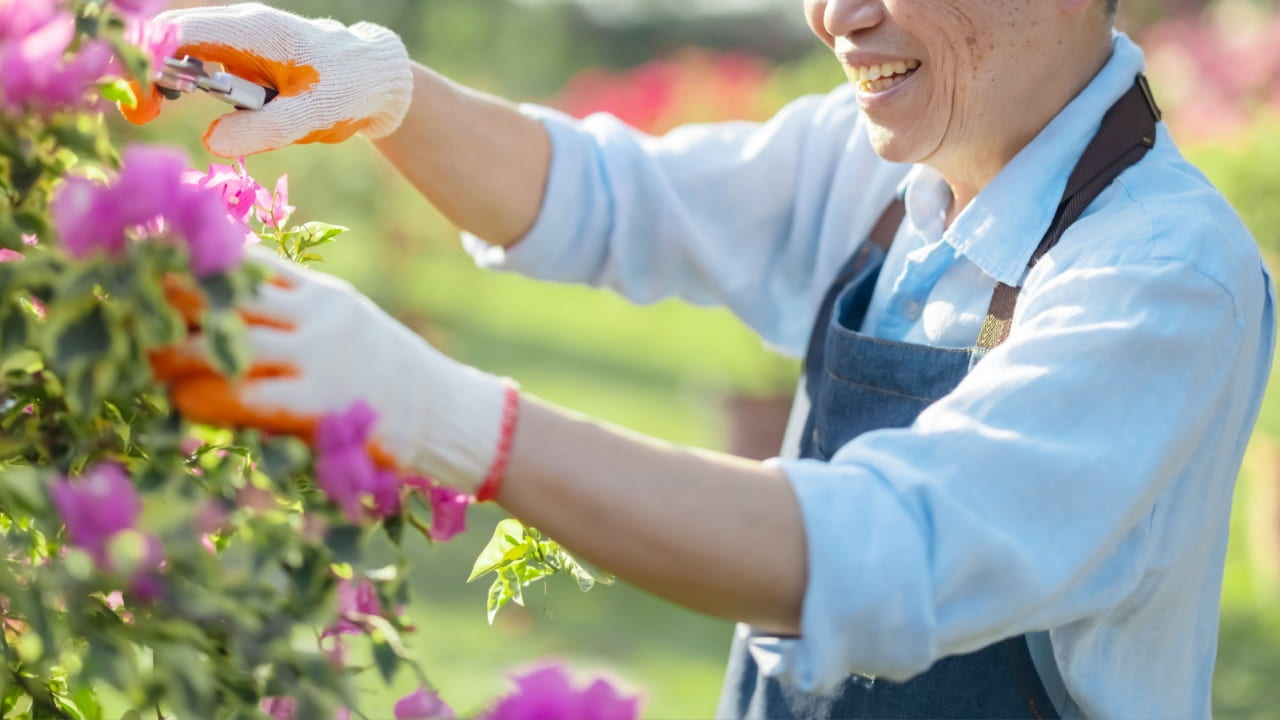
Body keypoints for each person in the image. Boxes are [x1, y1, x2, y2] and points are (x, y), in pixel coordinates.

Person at [129, 1, 1275, 718]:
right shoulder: (888, 169)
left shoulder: (1161, 276)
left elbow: (887, 556)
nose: (835, 15)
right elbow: (606, 198)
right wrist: (381, 88)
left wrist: (450, 419)